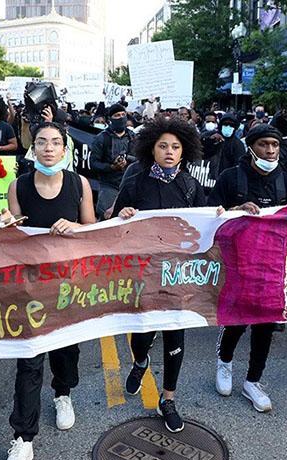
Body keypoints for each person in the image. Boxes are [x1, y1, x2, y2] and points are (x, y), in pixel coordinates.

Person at [3, 122, 95, 460]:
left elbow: (92, 230)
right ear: (33, 148)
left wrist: (76, 228)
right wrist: (8, 225)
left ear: (65, 148)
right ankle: (23, 439)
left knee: (66, 349)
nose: (48, 148)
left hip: (68, 284)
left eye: (56, 142)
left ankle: (63, 393)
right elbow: (13, 235)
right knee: (29, 357)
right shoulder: (18, 186)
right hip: (30, 287)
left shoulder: (79, 184)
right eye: (42, 142)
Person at [113, 117, 206, 433]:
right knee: (141, 336)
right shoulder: (136, 181)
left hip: (179, 275)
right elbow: (115, 224)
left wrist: (219, 216)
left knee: (175, 336)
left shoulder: (190, 186)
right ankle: (141, 362)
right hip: (145, 274)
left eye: (176, 147)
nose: (169, 151)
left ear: (184, 152)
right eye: (163, 145)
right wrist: (123, 215)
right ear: (151, 149)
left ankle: (168, 398)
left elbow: (205, 225)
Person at [208, 124, 287, 413]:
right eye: (263, 144)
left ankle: (253, 380)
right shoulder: (230, 178)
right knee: (238, 318)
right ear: (251, 147)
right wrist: (235, 212)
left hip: (273, 265)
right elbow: (210, 214)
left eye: (274, 144)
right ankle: (224, 362)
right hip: (237, 263)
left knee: (266, 323)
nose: (270, 150)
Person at [89, 103, 135, 218]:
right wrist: (112, 167)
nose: (121, 117)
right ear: (110, 119)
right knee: (108, 217)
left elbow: (140, 159)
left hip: (130, 185)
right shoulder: (101, 138)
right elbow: (93, 163)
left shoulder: (133, 137)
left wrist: (127, 160)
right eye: (117, 115)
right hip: (109, 185)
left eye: (123, 114)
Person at [200, 113, 245, 178]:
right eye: (225, 124)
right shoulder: (212, 136)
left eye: (231, 125)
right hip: (207, 176)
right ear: (221, 125)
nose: (228, 127)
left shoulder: (238, 144)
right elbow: (201, 150)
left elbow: (239, 165)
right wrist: (210, 141)